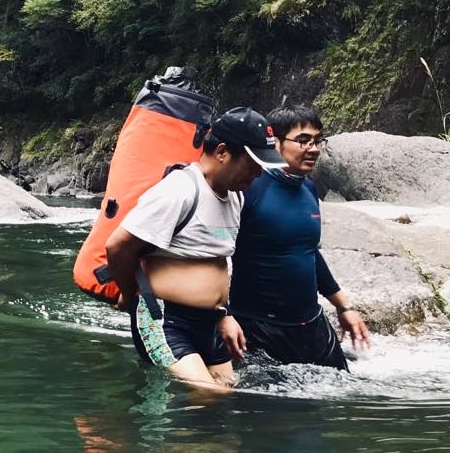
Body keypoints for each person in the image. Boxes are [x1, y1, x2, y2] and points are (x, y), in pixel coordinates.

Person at [105, 108, 287, 389]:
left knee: (225, 399)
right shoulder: (180, 190)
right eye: (252, 165)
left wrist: (224, 315)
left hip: (208, 323)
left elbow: (220, 262)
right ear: (223, 152)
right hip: (164, 319)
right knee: (210, 394)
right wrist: (133, 298)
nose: (257, 175)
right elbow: (118, 246)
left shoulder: (235, 198)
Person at [220, 105, 371, 370]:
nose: (313, 149)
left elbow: (308, 252)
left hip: (312, 325)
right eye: (303, 140)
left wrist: (344, 306)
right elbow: (214, 253)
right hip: (259, 328)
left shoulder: (309, 190)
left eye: (317, 141)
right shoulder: (249, 188)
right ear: (275, 142)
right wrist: (222, 315)